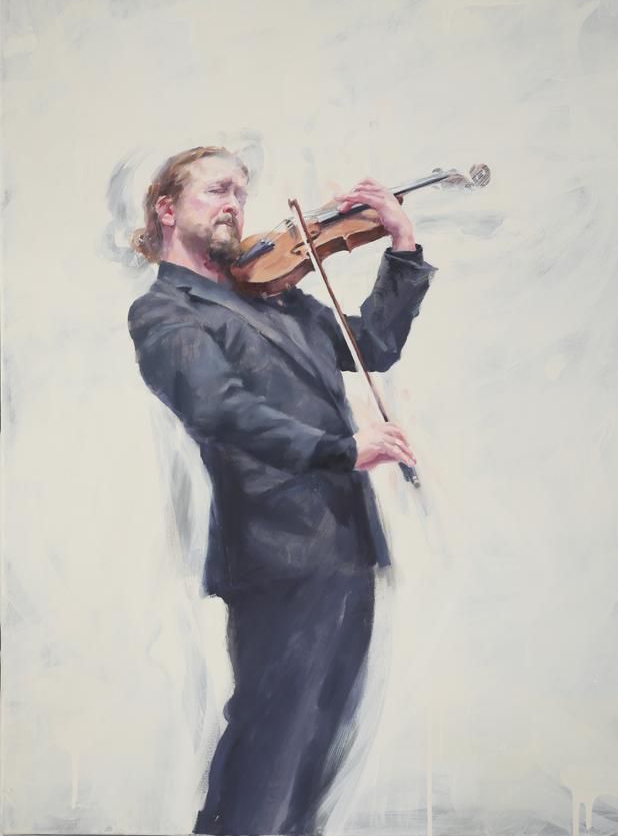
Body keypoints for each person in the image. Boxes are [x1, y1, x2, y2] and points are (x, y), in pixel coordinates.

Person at [128, 145, 437, 835]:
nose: (234, 204)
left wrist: (401, 245)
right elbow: (221, 410)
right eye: (216, 191)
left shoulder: (277, 295)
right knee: (269, 751)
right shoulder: (166, 312)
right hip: (275, 556)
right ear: (167, 209)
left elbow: (373, 346)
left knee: (315, 754)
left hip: (346, 549)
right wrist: (342, 449)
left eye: (240, 192)